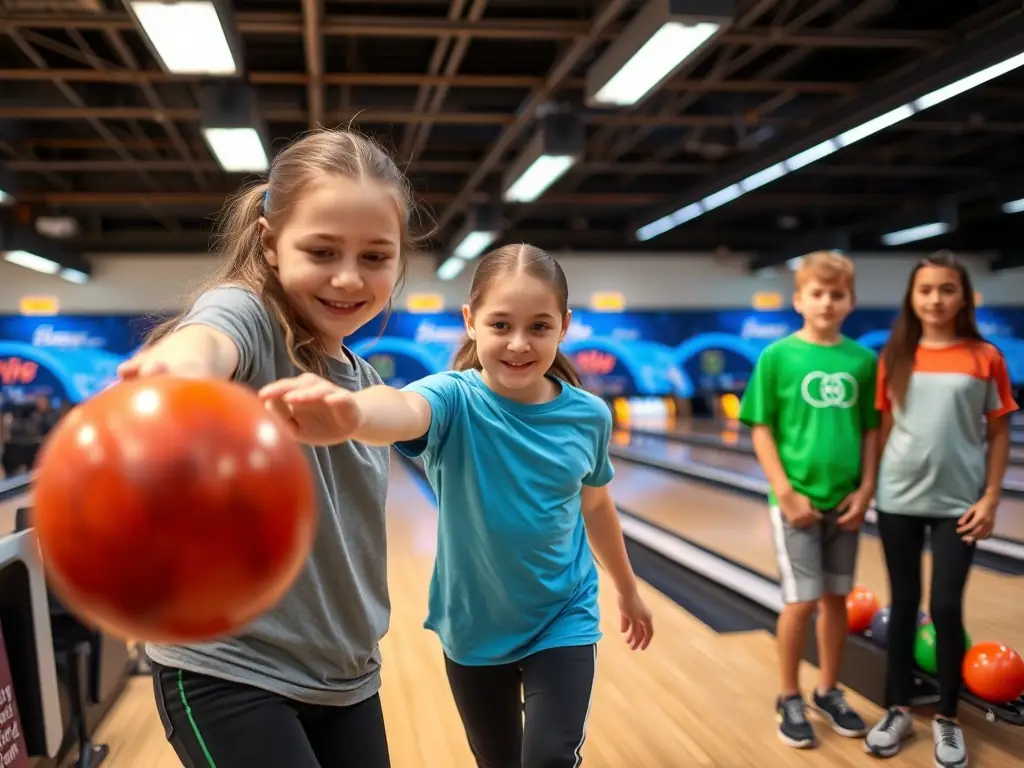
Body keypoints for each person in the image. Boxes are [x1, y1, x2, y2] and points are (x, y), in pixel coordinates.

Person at [260, 243, 655, 768]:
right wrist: (351, 412)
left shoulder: (589, 415)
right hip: (473, 625)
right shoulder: (454, 399)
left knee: (548, 758)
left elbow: (597, 506)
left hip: (564, 613)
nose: (518, 343)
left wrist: (627, 591)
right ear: (471, 322)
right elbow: (401, 407)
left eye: (539, 326)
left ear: (564, 326)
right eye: (500, 325)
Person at [116, 128, 423, 767]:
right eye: (321, 249)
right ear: (270, 243)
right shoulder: (250, 318)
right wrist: (176, 374)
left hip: (347, 678)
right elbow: (206, 338)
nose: (348, 277)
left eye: (376, 256)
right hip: (229, 670)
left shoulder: (363, 383)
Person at [865, 251, 1017, 768]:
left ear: (963, 297)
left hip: (961, 503)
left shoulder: (985, 356)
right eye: (926, 289)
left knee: (947, 607)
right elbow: (883, 429)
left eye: (946, 289)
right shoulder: (895, 356)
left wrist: (992, 495)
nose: (935, 299)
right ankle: (897, 708)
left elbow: (998, 431)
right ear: (912, 296)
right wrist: (868, 488)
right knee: (904, 604)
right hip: (898, 497)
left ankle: (949, 719)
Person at [739, 250, 879, 749]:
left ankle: (828, 689)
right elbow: (760, 428)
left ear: (850, 302)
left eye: (836, 295)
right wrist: (785, 490)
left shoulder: (863, 361)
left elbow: (870, 431)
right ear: (799, 300)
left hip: (847, 503)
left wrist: (866, 491)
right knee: (800, 602)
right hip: (796, 502)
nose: (826, 302)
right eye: (817, 294)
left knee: (837, 598)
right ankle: (788, 694)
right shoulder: (778, 356)